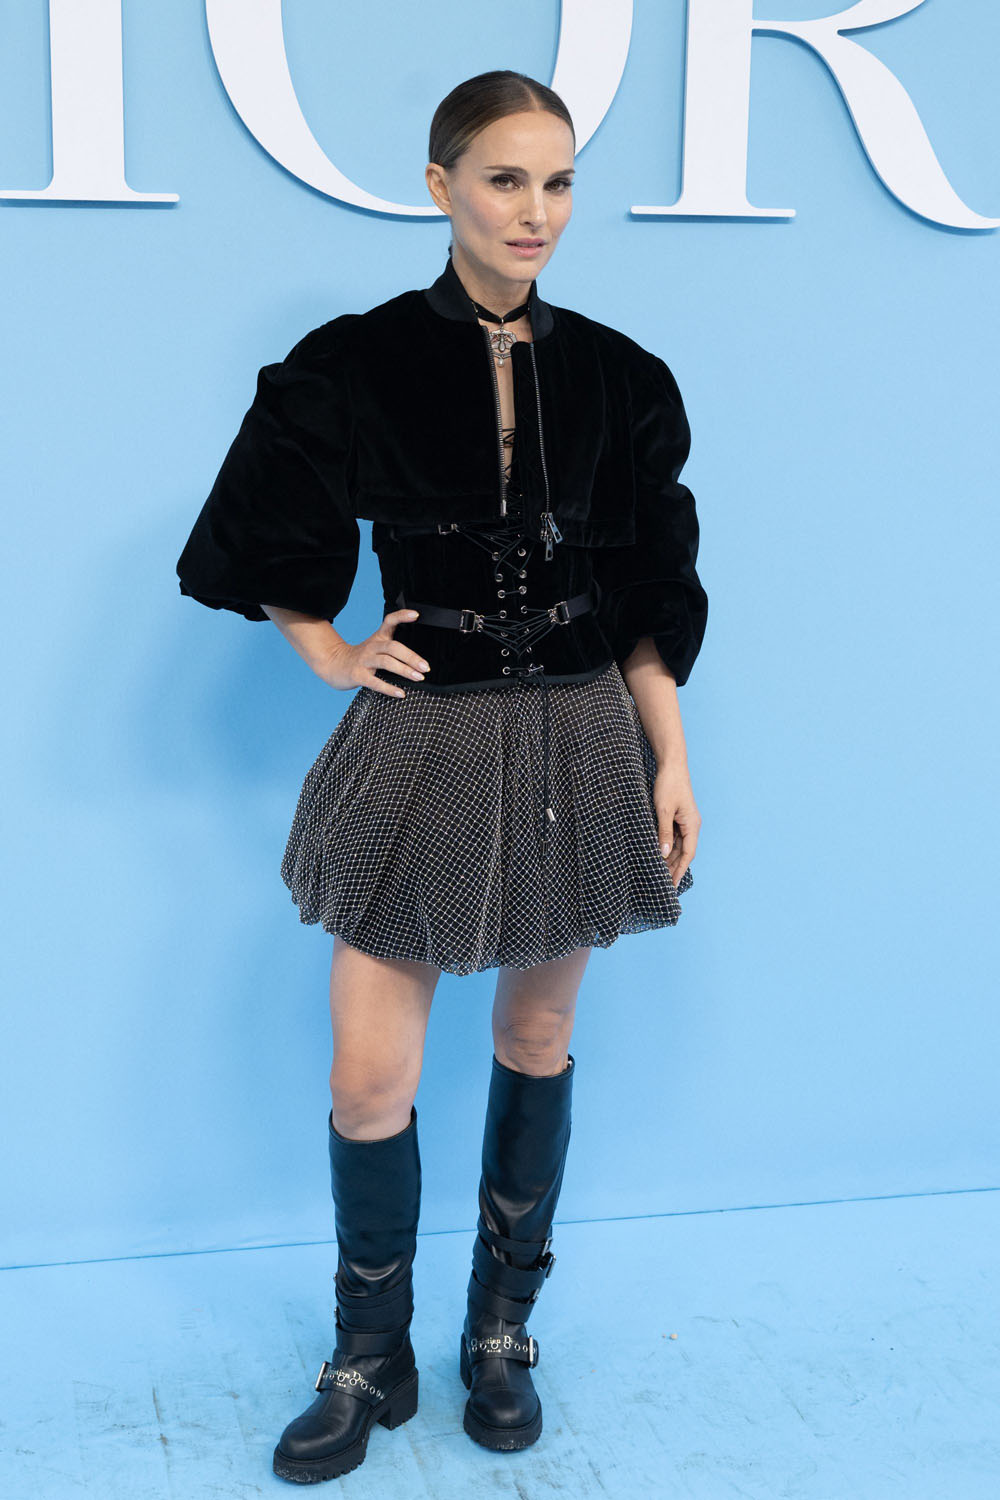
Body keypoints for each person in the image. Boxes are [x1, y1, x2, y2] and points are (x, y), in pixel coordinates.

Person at [175, 70, 708, 1484]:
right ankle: (370, 1353)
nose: (537, 211)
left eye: (559, 182)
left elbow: (651, 586)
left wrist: (670, 754)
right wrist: (328, 649)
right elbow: (258, 524)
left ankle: (500, 1334)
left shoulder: (623, 376)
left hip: (580, 735)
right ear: (441, 187)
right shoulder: (352, 363)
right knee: (369, 1078)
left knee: (537, 1036)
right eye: (506, 180)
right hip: (430, 737)